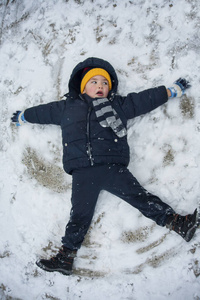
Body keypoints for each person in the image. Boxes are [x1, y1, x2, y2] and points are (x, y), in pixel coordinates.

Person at [11, 57, 199, 276]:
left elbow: (143, 100)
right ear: (83, 86)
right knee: (79, 216)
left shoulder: (117, 105)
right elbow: (43, 112)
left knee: (139, 197)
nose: (100, 86)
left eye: (104, 83)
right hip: (82, 172)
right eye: (94, 82)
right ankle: (65, 257)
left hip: (111, 166)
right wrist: (24, 116)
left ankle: (178, 223)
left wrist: (169, 91)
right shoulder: (66, 107)